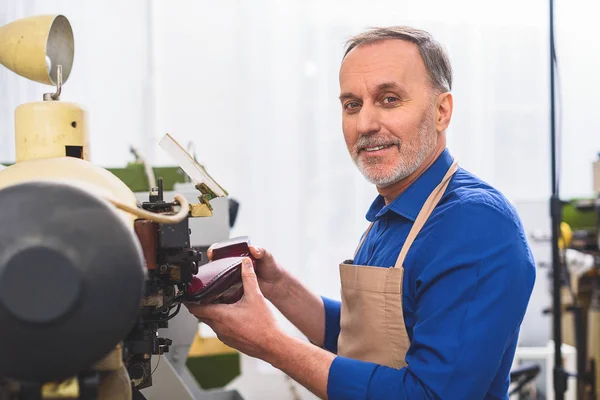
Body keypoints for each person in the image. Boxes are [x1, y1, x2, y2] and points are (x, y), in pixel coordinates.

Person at [185, 26, 536, 400]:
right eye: (352, 105)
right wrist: (280, 288)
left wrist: (271, 344)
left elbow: (430, 395)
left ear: (441, 111)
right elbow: (363, 340)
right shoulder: (391, 217)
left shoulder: (475, 225)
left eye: (389, 99)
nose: (365, 124)